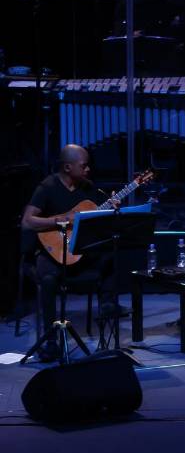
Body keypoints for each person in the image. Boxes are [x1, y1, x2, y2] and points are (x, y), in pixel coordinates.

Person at [20, 145, 120, 361]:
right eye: (83, 166)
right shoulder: (46, 187)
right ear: (67, 167)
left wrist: (112, 208)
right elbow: (27, 222)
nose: (88, 170)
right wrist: (60, 220)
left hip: (78, 251)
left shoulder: (89, 188)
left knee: (111, 255)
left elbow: (95, 218)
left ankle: (107, 305)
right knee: (48, 279)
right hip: (50, 253)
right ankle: (51, 339)